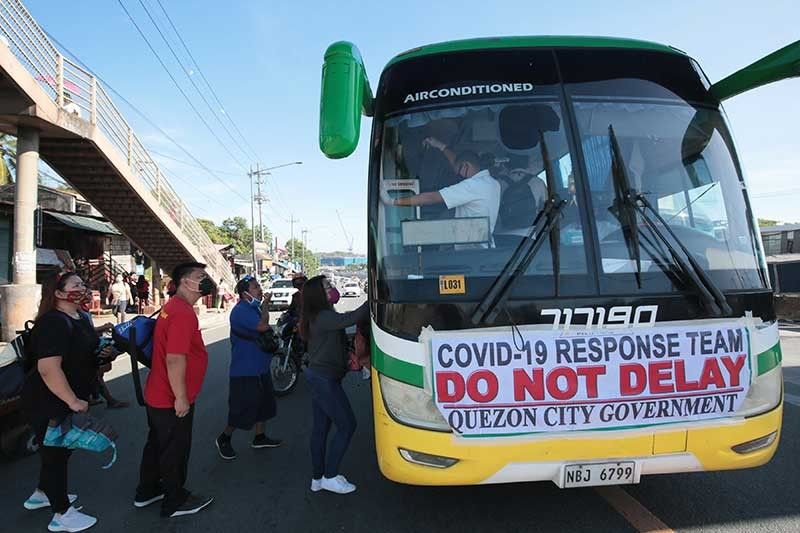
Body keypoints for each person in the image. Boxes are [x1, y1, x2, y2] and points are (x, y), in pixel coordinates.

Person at [21, 272, 115, 532]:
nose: (83, 288)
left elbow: (85, 354)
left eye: (83, 284)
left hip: (66, 397)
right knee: (55, 455)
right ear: (59, 294)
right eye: (75, 285)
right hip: (48, 400)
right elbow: (48, 368)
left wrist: (103, 355)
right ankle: (61, 514)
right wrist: (72, 400)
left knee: (61, 451)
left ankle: (41, 493)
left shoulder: (81, 318)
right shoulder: (54, 322)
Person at [134, 262, 215, 518]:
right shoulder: (182, 312)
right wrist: (181, 397)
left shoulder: (173, 307)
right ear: (184, 282)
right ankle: (175, 501)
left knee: (157, 445)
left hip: (158, 393)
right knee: (175, 449)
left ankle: (147, 490)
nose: (205, 280)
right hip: (170, 397)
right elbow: (175, 358)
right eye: (199, 276)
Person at [300, 275, 368, 495]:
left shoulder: (320, 317)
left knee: (321, 429)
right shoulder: (323, 316)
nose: (332, 288)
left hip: (320, 377)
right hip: (324, 380)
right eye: (327, 286)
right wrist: (376, 297)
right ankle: (330, 475)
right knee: (347, 425)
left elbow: (340, 330)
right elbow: (354, 316)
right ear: (317, 294)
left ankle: (317, 478)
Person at [381, 137, 501, 249]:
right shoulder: (493, 184)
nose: (459, 177)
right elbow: (457, 162)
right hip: (486, 248)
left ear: (467, 166)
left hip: (470, 251)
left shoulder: (472, 185)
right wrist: (440, 145)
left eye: (459, 172)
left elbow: (431, 198)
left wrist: (392, 201)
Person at [215, 276, 281, 460]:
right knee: (242, 408)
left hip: (260, 368)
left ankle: (259, 437)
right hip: (245, 370)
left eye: (259, 285)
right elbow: (262, 326)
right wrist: (266, 305)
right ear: (245, 293)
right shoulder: (240, 311)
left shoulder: (253, 308)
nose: (259, 289)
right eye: (255, 287)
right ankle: (224, 438)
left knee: (264, 404)